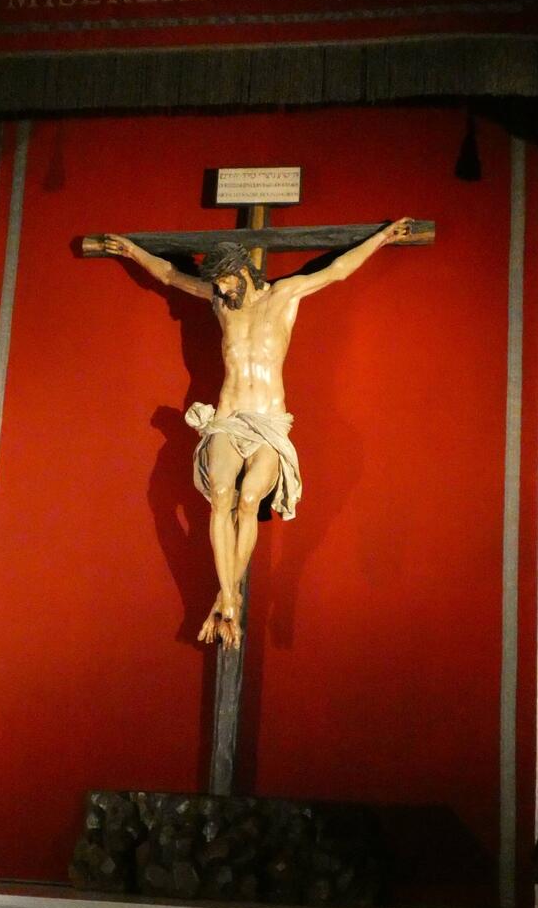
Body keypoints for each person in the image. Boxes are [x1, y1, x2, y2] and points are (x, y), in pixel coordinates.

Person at [101, 218, 412, 647]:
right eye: (219, 285)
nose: (223, 291)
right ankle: (230, 600)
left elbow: (337, 270)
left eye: (227, 281)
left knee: (249, 501)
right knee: (222, 497)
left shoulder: (285, 296)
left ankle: (225, 598)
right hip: (228, 417)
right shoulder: (219, 301)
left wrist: (380, 239)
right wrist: (134, 252)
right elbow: (172, 276)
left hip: (267, 423)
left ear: (243, 270)